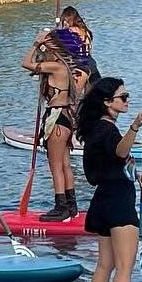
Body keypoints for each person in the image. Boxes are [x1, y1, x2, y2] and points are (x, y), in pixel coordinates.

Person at [76, 77, 142, 282]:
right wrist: (135, 127)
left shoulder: (96, 129)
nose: (127, 100)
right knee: (124, 267)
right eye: (123, 97)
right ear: (108, 102)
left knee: (104, 265)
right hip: (119, 202)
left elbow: (117, 161)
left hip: (103, 200)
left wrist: (138, 178)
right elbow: (120, 152)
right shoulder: (108, 129)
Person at [22, 27, 93, 221]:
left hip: (57, 117)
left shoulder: (56, 66)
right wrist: (43, 46)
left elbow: (26, 63)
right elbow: (38, 62)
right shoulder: (66, 67)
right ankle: (72, 207)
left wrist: (37, 43)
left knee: (55, 166)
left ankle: (61, 207)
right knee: (65, 165)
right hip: (66, 119)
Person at [59, 7, 99, 79]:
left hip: (78, 67)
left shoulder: (70, 31)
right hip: (91, 64)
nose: (64, 23)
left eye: (64, 20)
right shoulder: (85, 31)